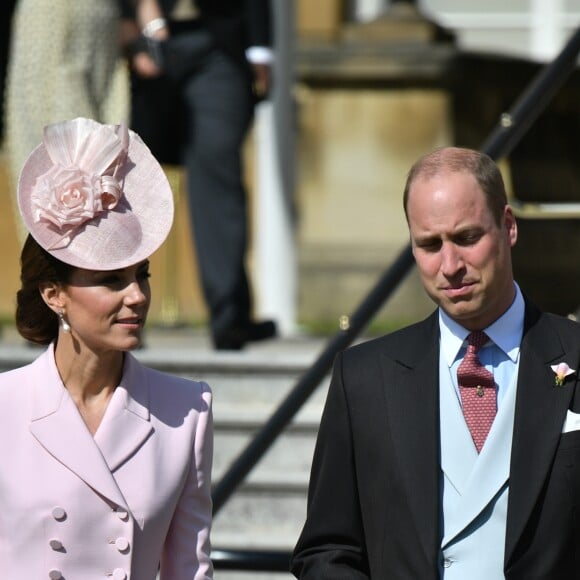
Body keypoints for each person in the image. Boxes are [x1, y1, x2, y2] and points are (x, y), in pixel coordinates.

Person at [291, 146, 580, 579]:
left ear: (508, 226)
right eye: (429, 244)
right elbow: (326, 550)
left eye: (467, 238)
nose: (450, 266)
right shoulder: (365, 377)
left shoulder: (573, 353)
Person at [0, 117, 213, 579]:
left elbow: (190, 571)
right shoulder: (4, 406)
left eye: (143, 276)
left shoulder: (186, 409)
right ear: (54, 293)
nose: (136, 295)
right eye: (111, 281)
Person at [122, 0, 277, 350]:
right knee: (118, 179)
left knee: (216, 175)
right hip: (133, 43)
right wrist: (131, 28)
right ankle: (111, 315)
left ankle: (228, 315)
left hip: (217, 42)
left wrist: (261, 50)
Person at [4, 0, 129, 242]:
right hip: (97, 17)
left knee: (56, 169)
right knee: (98, 165)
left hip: (60, 18)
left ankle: (60, 272)